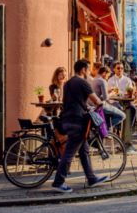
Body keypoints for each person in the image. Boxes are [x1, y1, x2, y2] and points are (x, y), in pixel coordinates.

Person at [51, 59, 110, 193]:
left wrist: (85, 106)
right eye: (88, 70)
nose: (89, 72)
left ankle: (91, 178)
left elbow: (72, 101)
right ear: (83, 70)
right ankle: (58, 182)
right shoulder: (83, 82)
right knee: (69, 153)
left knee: (84, 150)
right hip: (77, 122)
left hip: (67, 119)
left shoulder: (68, 84)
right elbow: (96, 99)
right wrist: (100, 103)